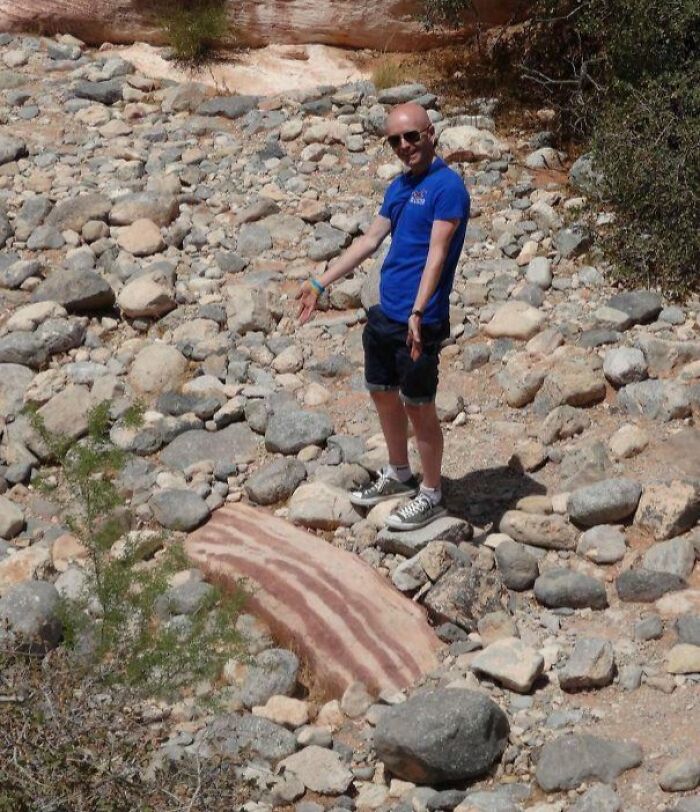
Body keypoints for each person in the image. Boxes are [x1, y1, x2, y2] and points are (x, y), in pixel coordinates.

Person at [296, 102, 470, 530]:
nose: (404, 146)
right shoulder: (399, 187)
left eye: (411, 136)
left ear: (431, 133)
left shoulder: (448, 187)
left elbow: (437, 254)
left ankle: (432, 493)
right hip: (385, 312)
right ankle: (399, 473)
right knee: (382, 393)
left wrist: (418, 310)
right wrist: (321, 282)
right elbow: (370, 240)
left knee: (419, 406)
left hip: (419, 320)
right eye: (395, 140)